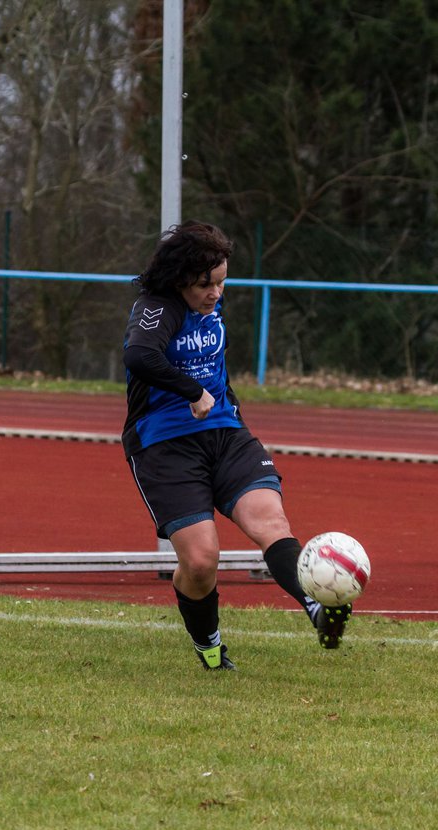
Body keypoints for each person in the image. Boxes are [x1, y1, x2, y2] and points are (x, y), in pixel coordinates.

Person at [122, 220, 349, 671]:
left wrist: (226, 406)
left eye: (222, 282)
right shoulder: (158, 307)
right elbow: (139, 355)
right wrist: (192, 392)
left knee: (271, 522)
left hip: (227, 436)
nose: (216, 293)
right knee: (202, 560)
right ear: (180, 278)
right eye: (206, 283)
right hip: (165, 446)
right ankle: (209, 644)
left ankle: (318, 607)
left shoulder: (209, 304)